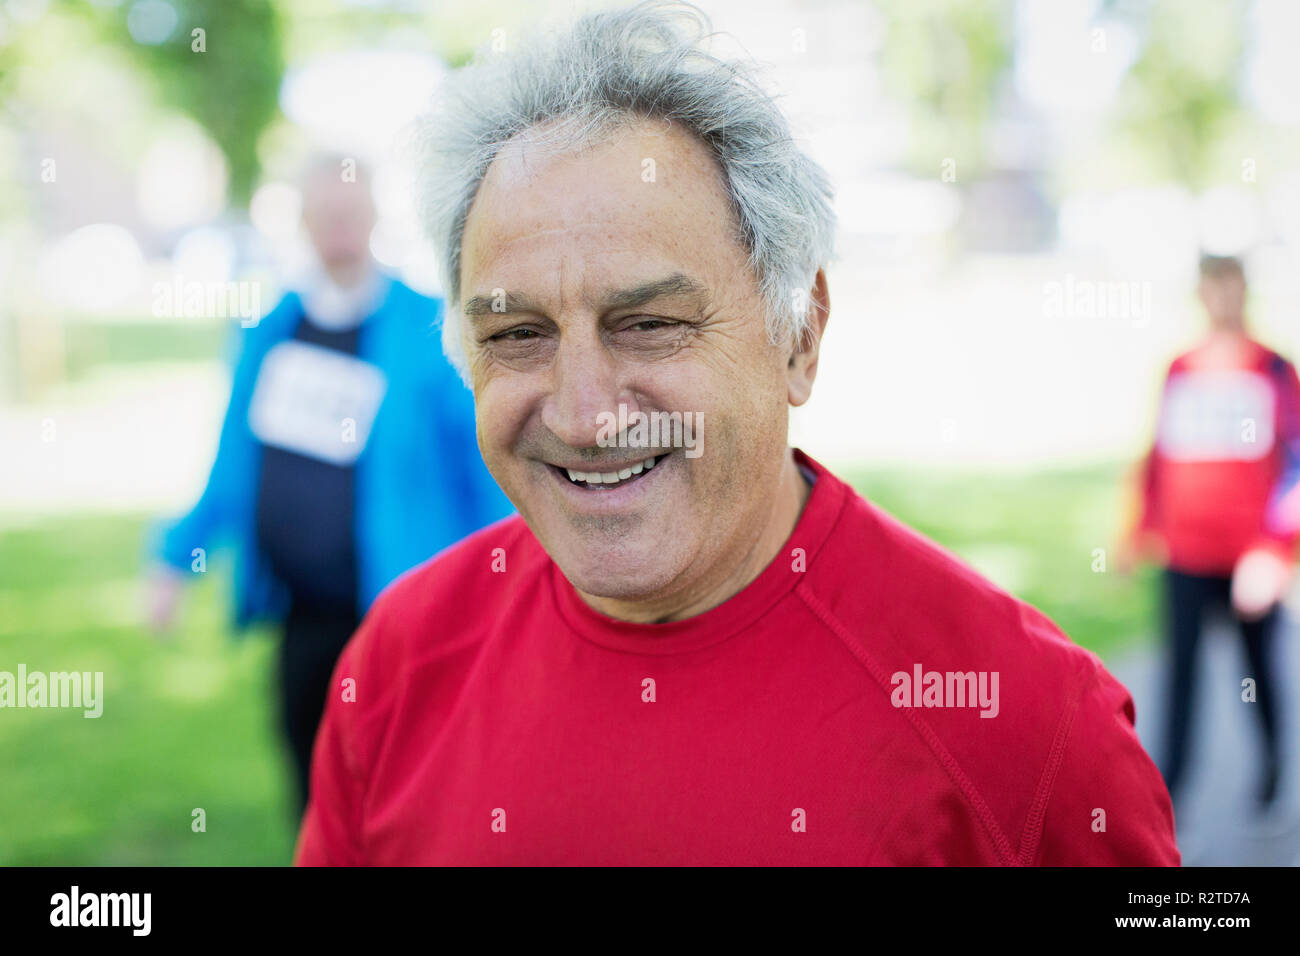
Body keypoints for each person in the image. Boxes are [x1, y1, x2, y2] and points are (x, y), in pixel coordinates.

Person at [295, 2, 1179, 865]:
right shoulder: (398, 664)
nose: (582, 414)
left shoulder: (1025, 728)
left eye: (648, 323)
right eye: (518, 335)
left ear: (799, 336)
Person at [145, 153, 514, 816]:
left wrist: (504, 579)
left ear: (372, 215)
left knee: (407, 797)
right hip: (300, 618)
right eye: (324, 213)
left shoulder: (429, 328)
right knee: (314, 795)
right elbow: (235, 462)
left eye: (349, 211)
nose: (338, 225)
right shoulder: (270, 330)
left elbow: (484, 470)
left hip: (404, 618)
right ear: (304, 221)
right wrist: (176, 558)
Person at [1121, 253, 1300, 812]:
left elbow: (1294, 464)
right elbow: (1160, 453)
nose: (1222, 298)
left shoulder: (1272, 369)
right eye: (1212, 287)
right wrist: (1137, 530)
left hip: (1248, 558)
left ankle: (1272, 775)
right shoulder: (1181, 368)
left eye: (1232, 286)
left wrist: (1273, 552)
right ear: (1200, 294)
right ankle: (1169, 803)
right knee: (1180, 679)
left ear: (1245, 291)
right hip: (1185, 554)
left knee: (1257, 672)